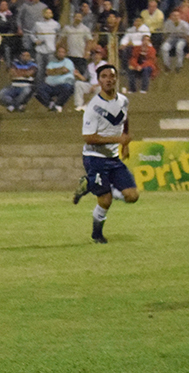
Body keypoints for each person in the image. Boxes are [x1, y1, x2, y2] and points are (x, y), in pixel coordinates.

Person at [72, 64, 138, 244]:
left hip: (113, 158)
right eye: (104, 76)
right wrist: (119, 140)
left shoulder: (123, 100)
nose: (109, 79)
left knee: (132, 196)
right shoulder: (93, 107)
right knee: (105, 200)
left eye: (112, 76)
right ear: (99, 80)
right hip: (95, 158)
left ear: (116, 78)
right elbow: (88, 137)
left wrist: (125, 144)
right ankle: (97, 235)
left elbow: (124, 118)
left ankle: (89, 185)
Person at [35, 45, 75, 112]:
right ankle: (51, 104)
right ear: (56, 53)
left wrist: (53, 71)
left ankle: (58, 105)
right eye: (59, 52)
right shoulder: (51, 62)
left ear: (65, 54)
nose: (61, 53)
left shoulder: (68, 62)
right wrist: (59, 70)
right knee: (38, 88)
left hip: (62, 85)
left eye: (62, 52)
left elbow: (65, 70)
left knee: (68, 88)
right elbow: (48, 72)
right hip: (50, 86)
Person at [73, 47, 106, 111]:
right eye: (94, 55)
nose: (96, 56)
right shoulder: (90, 66)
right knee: (78, 84)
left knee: (100, 89)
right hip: (91, 85)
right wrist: (78, 75)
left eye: (98, 54)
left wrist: (96, 85)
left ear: (101, 56)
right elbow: (85, 78)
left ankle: (87, 105)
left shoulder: (105, 65)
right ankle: (79, 105)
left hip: (100, 86)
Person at [31, 7, 59, 84]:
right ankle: (39, 87)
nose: (48, 14)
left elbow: (59, 36)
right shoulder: (38, 24)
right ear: (43, 14)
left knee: (49, 70)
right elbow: (32, 34)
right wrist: (35, 40)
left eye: (50, 13)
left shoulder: (56, 24)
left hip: (50, 51)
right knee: (39, 70)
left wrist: (56, 44)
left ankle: (49, 86)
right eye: (46, 12)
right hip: (40, 51)